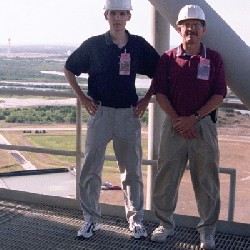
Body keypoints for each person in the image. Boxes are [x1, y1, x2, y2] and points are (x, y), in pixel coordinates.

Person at [64, 0, 159, 240]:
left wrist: (146, 99)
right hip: (100, 113)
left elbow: (160, 72)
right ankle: (90, 220)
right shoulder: (94, 45)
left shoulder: (138, 45)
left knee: (132, 172)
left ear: (129, 16)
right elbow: (69, 68)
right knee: (90, 170)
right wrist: (83, 98)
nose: (117, 18)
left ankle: (136, 221)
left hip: (128, 114)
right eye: (113, 13)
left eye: (122, 13)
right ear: (106, 15)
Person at [150, 5, 227, 249]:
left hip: (202, 126)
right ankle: (165, 224)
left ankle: (207, 231)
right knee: (166, 177)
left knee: (207, 180)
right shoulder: (168, 58)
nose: (191, 30)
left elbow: (219, 94)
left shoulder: (213, 58)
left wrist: (193, 118)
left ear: (203, 30)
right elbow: (160, 92)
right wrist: (178, 121)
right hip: (174, 125)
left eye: (196, 25)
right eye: (186, 25)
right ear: (179, 28)